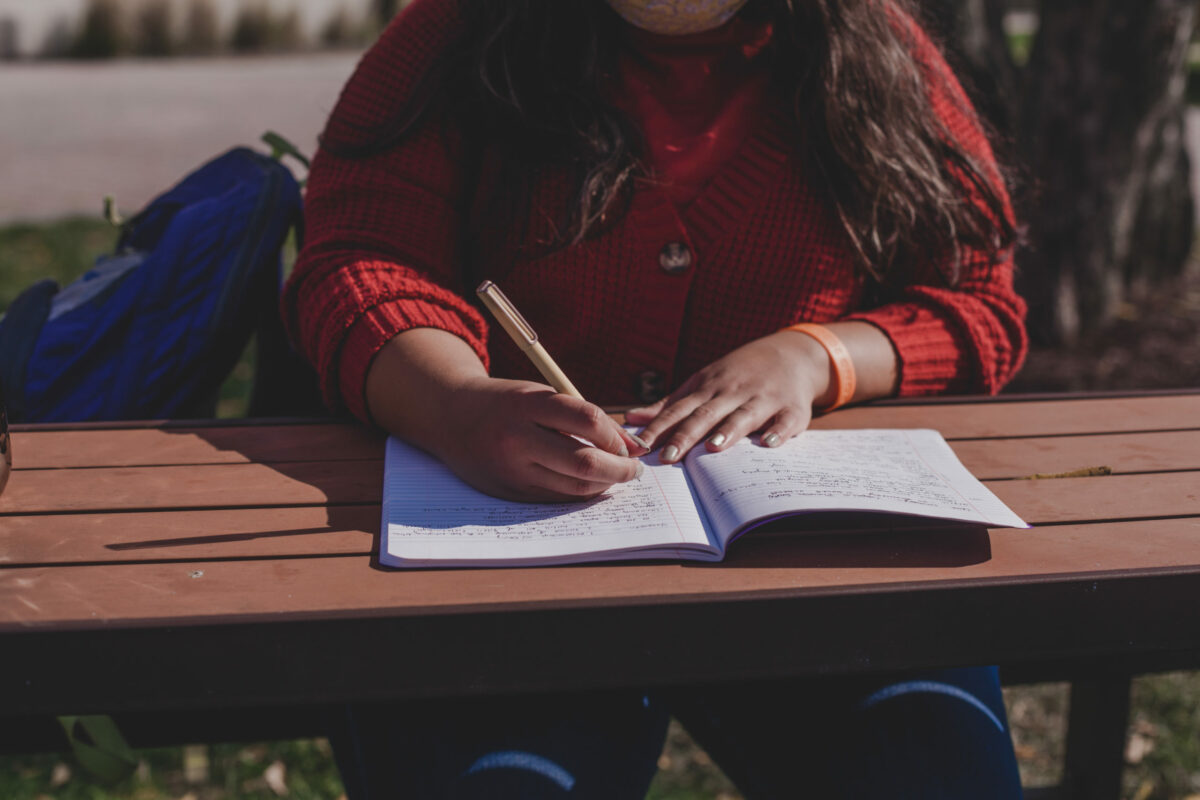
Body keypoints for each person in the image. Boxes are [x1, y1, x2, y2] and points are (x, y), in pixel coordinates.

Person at [283, 0, 1029, 796]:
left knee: (935, 767)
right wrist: (455, 405)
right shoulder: (459, 32)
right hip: (502, 588)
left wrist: (814, 357)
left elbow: (980, 297)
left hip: (811, 581)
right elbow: (357, 258)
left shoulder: (868, 40)